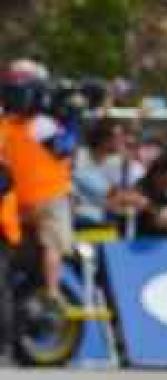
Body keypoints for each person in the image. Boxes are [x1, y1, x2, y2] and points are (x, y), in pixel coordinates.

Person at [0, 60, 76, 301]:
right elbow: (65, 148)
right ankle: (52, 292)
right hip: (48, 197)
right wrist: (73, 119)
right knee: (53, 244)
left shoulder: (5, 127)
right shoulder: (41, 124)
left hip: (16, 202)